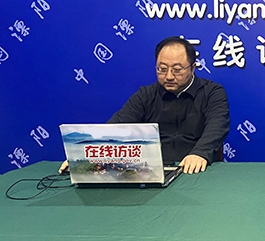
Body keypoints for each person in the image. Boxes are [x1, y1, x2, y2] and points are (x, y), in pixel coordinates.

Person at [60, 36, 230, 175]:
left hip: (195, 169)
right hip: (151, 172)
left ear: (193, 68)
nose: (169, 76)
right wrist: (84, 156)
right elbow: (116, 125)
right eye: (162, 69)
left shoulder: (212, 92)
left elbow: (218, 126)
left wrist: (199, 153)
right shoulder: (146, 95)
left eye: (177, 70)